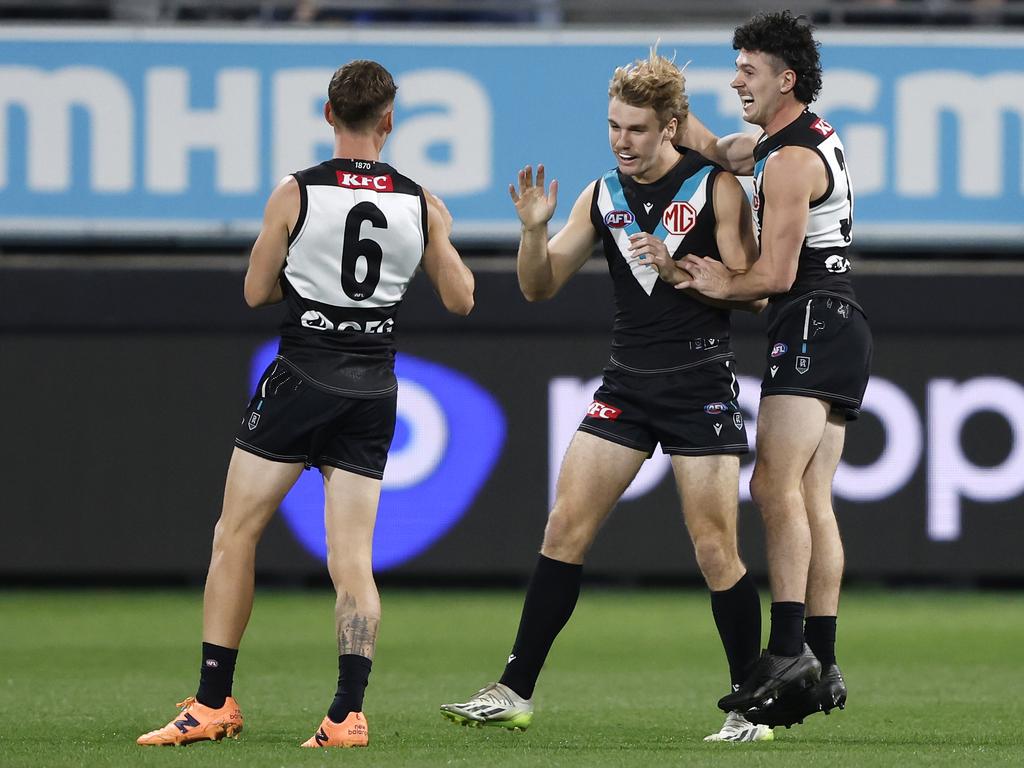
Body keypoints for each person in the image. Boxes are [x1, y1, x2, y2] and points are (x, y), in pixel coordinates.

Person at [136, 60, 475, 749]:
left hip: (302, 377)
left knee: (235, 535)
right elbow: (463, 298)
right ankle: (347, 714)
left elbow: (256, 292)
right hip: (374, 387)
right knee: (353, 560)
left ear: (328, 115)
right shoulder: (421, 201)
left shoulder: (296, 192)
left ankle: (211, 704)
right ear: (389, 122)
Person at [441, 48, 772, 743]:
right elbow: (538, 286)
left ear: (672, 127)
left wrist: (681, 272)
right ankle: (513, 690)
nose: (622, 140)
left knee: (715, 548)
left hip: (699, 383)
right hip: (627, 383)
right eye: (615, 126)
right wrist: (532, 232)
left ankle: (750, 707)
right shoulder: (602, 195)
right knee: (564, 528)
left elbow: (753, 289)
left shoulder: (716, 190)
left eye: (637, 130)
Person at [666, 11, 872, 727]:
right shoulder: (786, 142)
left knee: (773, 482)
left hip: (813, 317)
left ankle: (786, 649)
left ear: (785, 79)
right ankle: (824, 655)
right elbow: (719, 150)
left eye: (747, 70)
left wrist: (723, 282)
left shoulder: (787, 161)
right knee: (813, 494)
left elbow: (776, 273)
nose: (736, 80)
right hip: (839, 322)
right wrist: (673, 113)